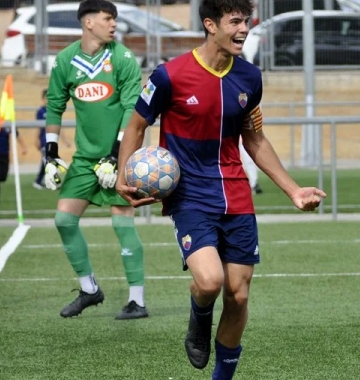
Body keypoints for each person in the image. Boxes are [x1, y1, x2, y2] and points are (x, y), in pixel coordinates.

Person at [115, 0, 326, 378]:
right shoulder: (169, 76)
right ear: (211, 25)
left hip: (237, 194)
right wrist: (122, 177)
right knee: (210, 281)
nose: (244, 29)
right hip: (190, 194)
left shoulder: (249, 78)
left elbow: (255, 139)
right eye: (235, 22)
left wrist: (293, 190)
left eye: (247, 21)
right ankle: (199, 319)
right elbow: (135, 127)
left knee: (239, 294)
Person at [41, 0, 148, 320]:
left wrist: (116, 156)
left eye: (114, 19)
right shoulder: (65, 60)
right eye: (107, 18)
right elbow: (55, 106)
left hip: (121, 155)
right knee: (63, 220)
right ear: (88, 23)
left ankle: (137, 301)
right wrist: (50, 153)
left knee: (121, 220)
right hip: (85, 159)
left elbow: (132, 109)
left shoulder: (124, 58)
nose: (113, 24)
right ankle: (89, 289)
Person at [34, 89, 71, 190]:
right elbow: (38, 127)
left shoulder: (53, 110)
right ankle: (54, 181)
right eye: (46, 98)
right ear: (42, 99)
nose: (48, 100)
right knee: (48, 161)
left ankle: (39, 181)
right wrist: (36, 139)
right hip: (43, 141)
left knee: (46, 161)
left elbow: (59, 127)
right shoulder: (40, 111)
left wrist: (65, 140)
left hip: (52, 142)